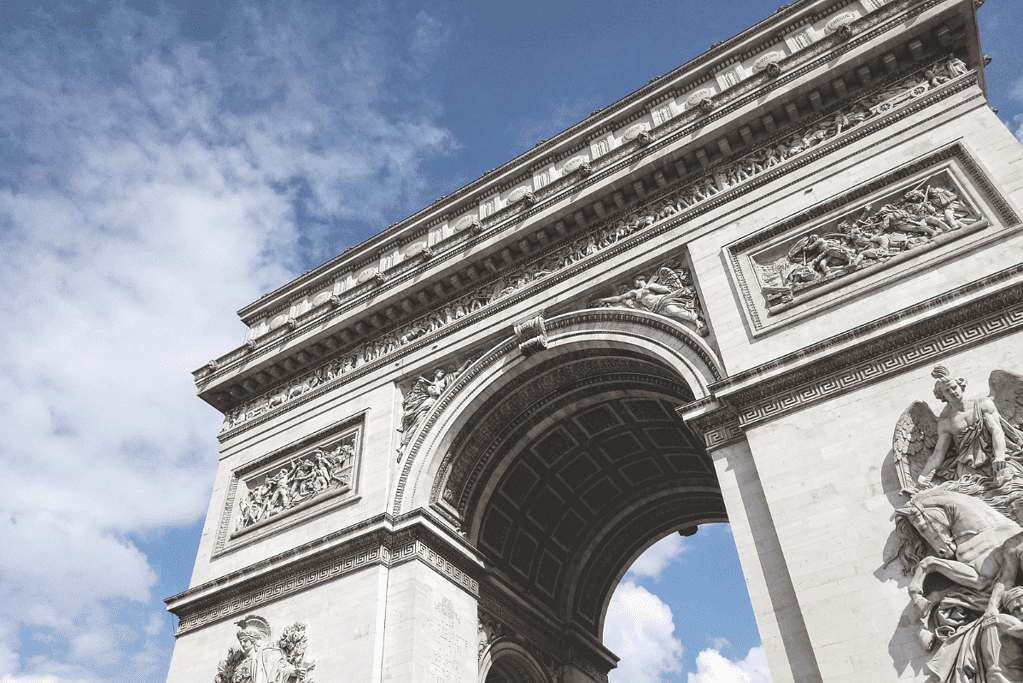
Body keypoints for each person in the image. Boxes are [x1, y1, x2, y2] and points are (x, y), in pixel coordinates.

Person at [916, 366, 1023, 488]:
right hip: (968, 468)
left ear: (961, 386)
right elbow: (938, 454)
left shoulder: (982, 403)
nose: (952, 392)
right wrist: (923, 476)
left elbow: (996, 430)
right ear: (942, 395)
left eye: (954, 387)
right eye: (947, 391)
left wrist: (999, 456)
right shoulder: (945, 422)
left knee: (1013, 484)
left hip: (996, 457)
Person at [593, 275, 707, 335]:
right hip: (653, 309)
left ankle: (696, 320)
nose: (634, 284)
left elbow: (666, 290)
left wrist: (651, 287)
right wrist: (604, 299)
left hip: (662, 301)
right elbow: (619, 298)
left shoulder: (650, 285)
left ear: (639, 279)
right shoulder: (634, 292)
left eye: (635, 282)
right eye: (634, 283)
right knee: (672, 315)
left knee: (674, 312)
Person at [234, 620, 299, 683]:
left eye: (245, 641)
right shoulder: (240, 664)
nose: (242, 644)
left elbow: (280, 667)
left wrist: (294, 671)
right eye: (241, 642)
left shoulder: (265, 654)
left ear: (253, 641)